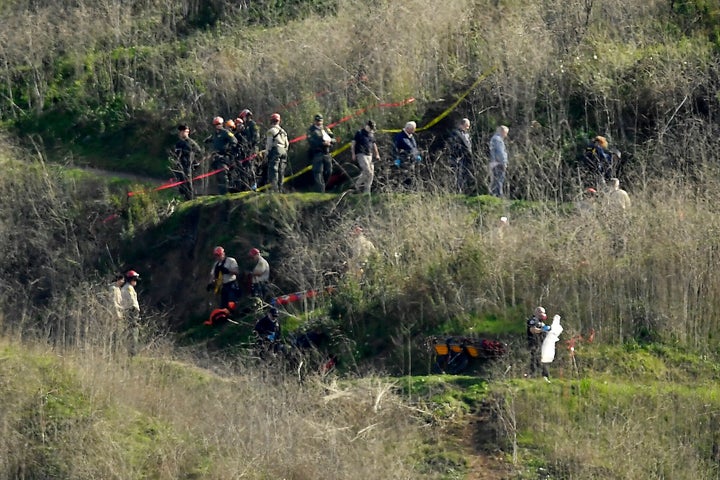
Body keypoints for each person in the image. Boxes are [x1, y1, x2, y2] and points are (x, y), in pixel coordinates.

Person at [205, 116, 238, 195]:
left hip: (224, 157)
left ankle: (226, 192)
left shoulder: (225, 132)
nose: (217, 126)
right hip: (216, 158)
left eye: (219, 124)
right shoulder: (215, 134)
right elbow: (211, 139)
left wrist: (228, 149)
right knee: (218, 176)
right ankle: (221, 193)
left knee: (223, 175)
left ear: (222, 124)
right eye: (216, 125)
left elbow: (234, 141)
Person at [172, 124, 203, 200]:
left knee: (188, 183)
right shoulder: (178, 143)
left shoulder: (191, 142)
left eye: (185, 132)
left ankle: (190, 198)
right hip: (180, 166)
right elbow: (175, 155)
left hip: (188, 166)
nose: (183, 133)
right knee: (181, 183)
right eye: (182, 132)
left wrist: (195, 163)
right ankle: (185, 198)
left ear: (187, 132)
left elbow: (199, 152)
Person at [307, 113, 336, 192]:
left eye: (320, 120)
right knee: (318, 172)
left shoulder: (326, 129)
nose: (319, 122)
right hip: (317, 153)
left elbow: (333, 138)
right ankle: (321, 190)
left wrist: (330, 142)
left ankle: (324, 186)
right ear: (314, 121)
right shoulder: (311, 130)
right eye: (317, 121)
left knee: (329, 171)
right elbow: (311, 141)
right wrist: (321, 143)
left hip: (327, 153)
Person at [351, 120, 381, 194]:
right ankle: (356, 185)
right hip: (361, 154)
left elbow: (374, 145)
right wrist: (353, 154)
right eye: (370, 127)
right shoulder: (359, 133)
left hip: (369, 154)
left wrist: (377, 154)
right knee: (367, 171)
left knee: (371, 174)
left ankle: (367, 191)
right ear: (367, 125)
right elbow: (353, 143)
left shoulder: (371, 134)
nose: (371, 129)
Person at [265, 113, 290, 192]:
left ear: (271, 121)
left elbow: (269, 144)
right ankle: (281, 188)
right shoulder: (283, 132)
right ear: (279, 121)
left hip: (275, 150)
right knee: (281, 170)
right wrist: (284, 150)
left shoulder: (271, 131)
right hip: (284, 151)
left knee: (274, 170)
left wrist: (267, 154)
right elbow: (287, 144)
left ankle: (274, 190)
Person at [448, 118, 473, 194]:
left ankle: (464, 190)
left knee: (465, 175)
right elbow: (454, 146)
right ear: (461, 125)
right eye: (466, 126)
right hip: (457, 157)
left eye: (468, 126)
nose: (467, 128)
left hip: (466, 158)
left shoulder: (466, 135)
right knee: (458, 175)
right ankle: (457, 191)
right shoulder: (455, 133)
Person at [526, 306, 550, 380]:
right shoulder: (532, 320)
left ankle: (544, 376)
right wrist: (542, 330)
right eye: (542, 312)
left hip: (541, 344)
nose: (543, 314)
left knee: (542, 359)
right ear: (537, 312)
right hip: (534, 343)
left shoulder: (541, 322)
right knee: (534, 359)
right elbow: (533, 330)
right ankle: (534, 375)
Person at [120, 270, 141, 356]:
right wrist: (135, 312)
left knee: (131, 331)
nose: (136, 281)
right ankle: (132, 352)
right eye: (135, 279)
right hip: (131, 312)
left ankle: (131, 351)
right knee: (133, 332)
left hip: (130, 312)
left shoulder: (127, 287)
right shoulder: (128, 288)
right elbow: (132, 302)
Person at [540, 314, 563, 383]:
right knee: (543, 360)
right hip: (546, 344)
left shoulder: (555, 328)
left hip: (549, 345)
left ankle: (545, 375)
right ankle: (543, 375)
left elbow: (550, 330)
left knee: (545, 360)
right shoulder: (555, 328)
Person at [489, 125, 509, 198]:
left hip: (494, 162)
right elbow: (500, 153)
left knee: (496, 180)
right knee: (499, 180)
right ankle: (498, 195)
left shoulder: (494, 138)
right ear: (502, 132)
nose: (506, 135)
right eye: (506, 133)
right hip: (498, 163)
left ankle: (494, 195)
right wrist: (504, 162)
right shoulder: (498, 140)